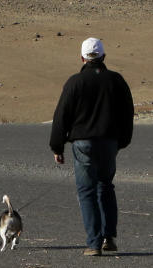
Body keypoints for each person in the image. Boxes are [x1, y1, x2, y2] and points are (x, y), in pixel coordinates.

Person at [49, 37, 134, 256]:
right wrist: (122, 141)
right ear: (104, 56)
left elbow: (61, 117)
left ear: (82, 58)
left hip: (83, 143)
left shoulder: (75, 82)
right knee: (105, 186)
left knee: (86, 191)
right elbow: (127, 113)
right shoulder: (116, 80)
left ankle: (94, 244)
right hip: (109, 143)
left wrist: (57, 147)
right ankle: (109, 237)